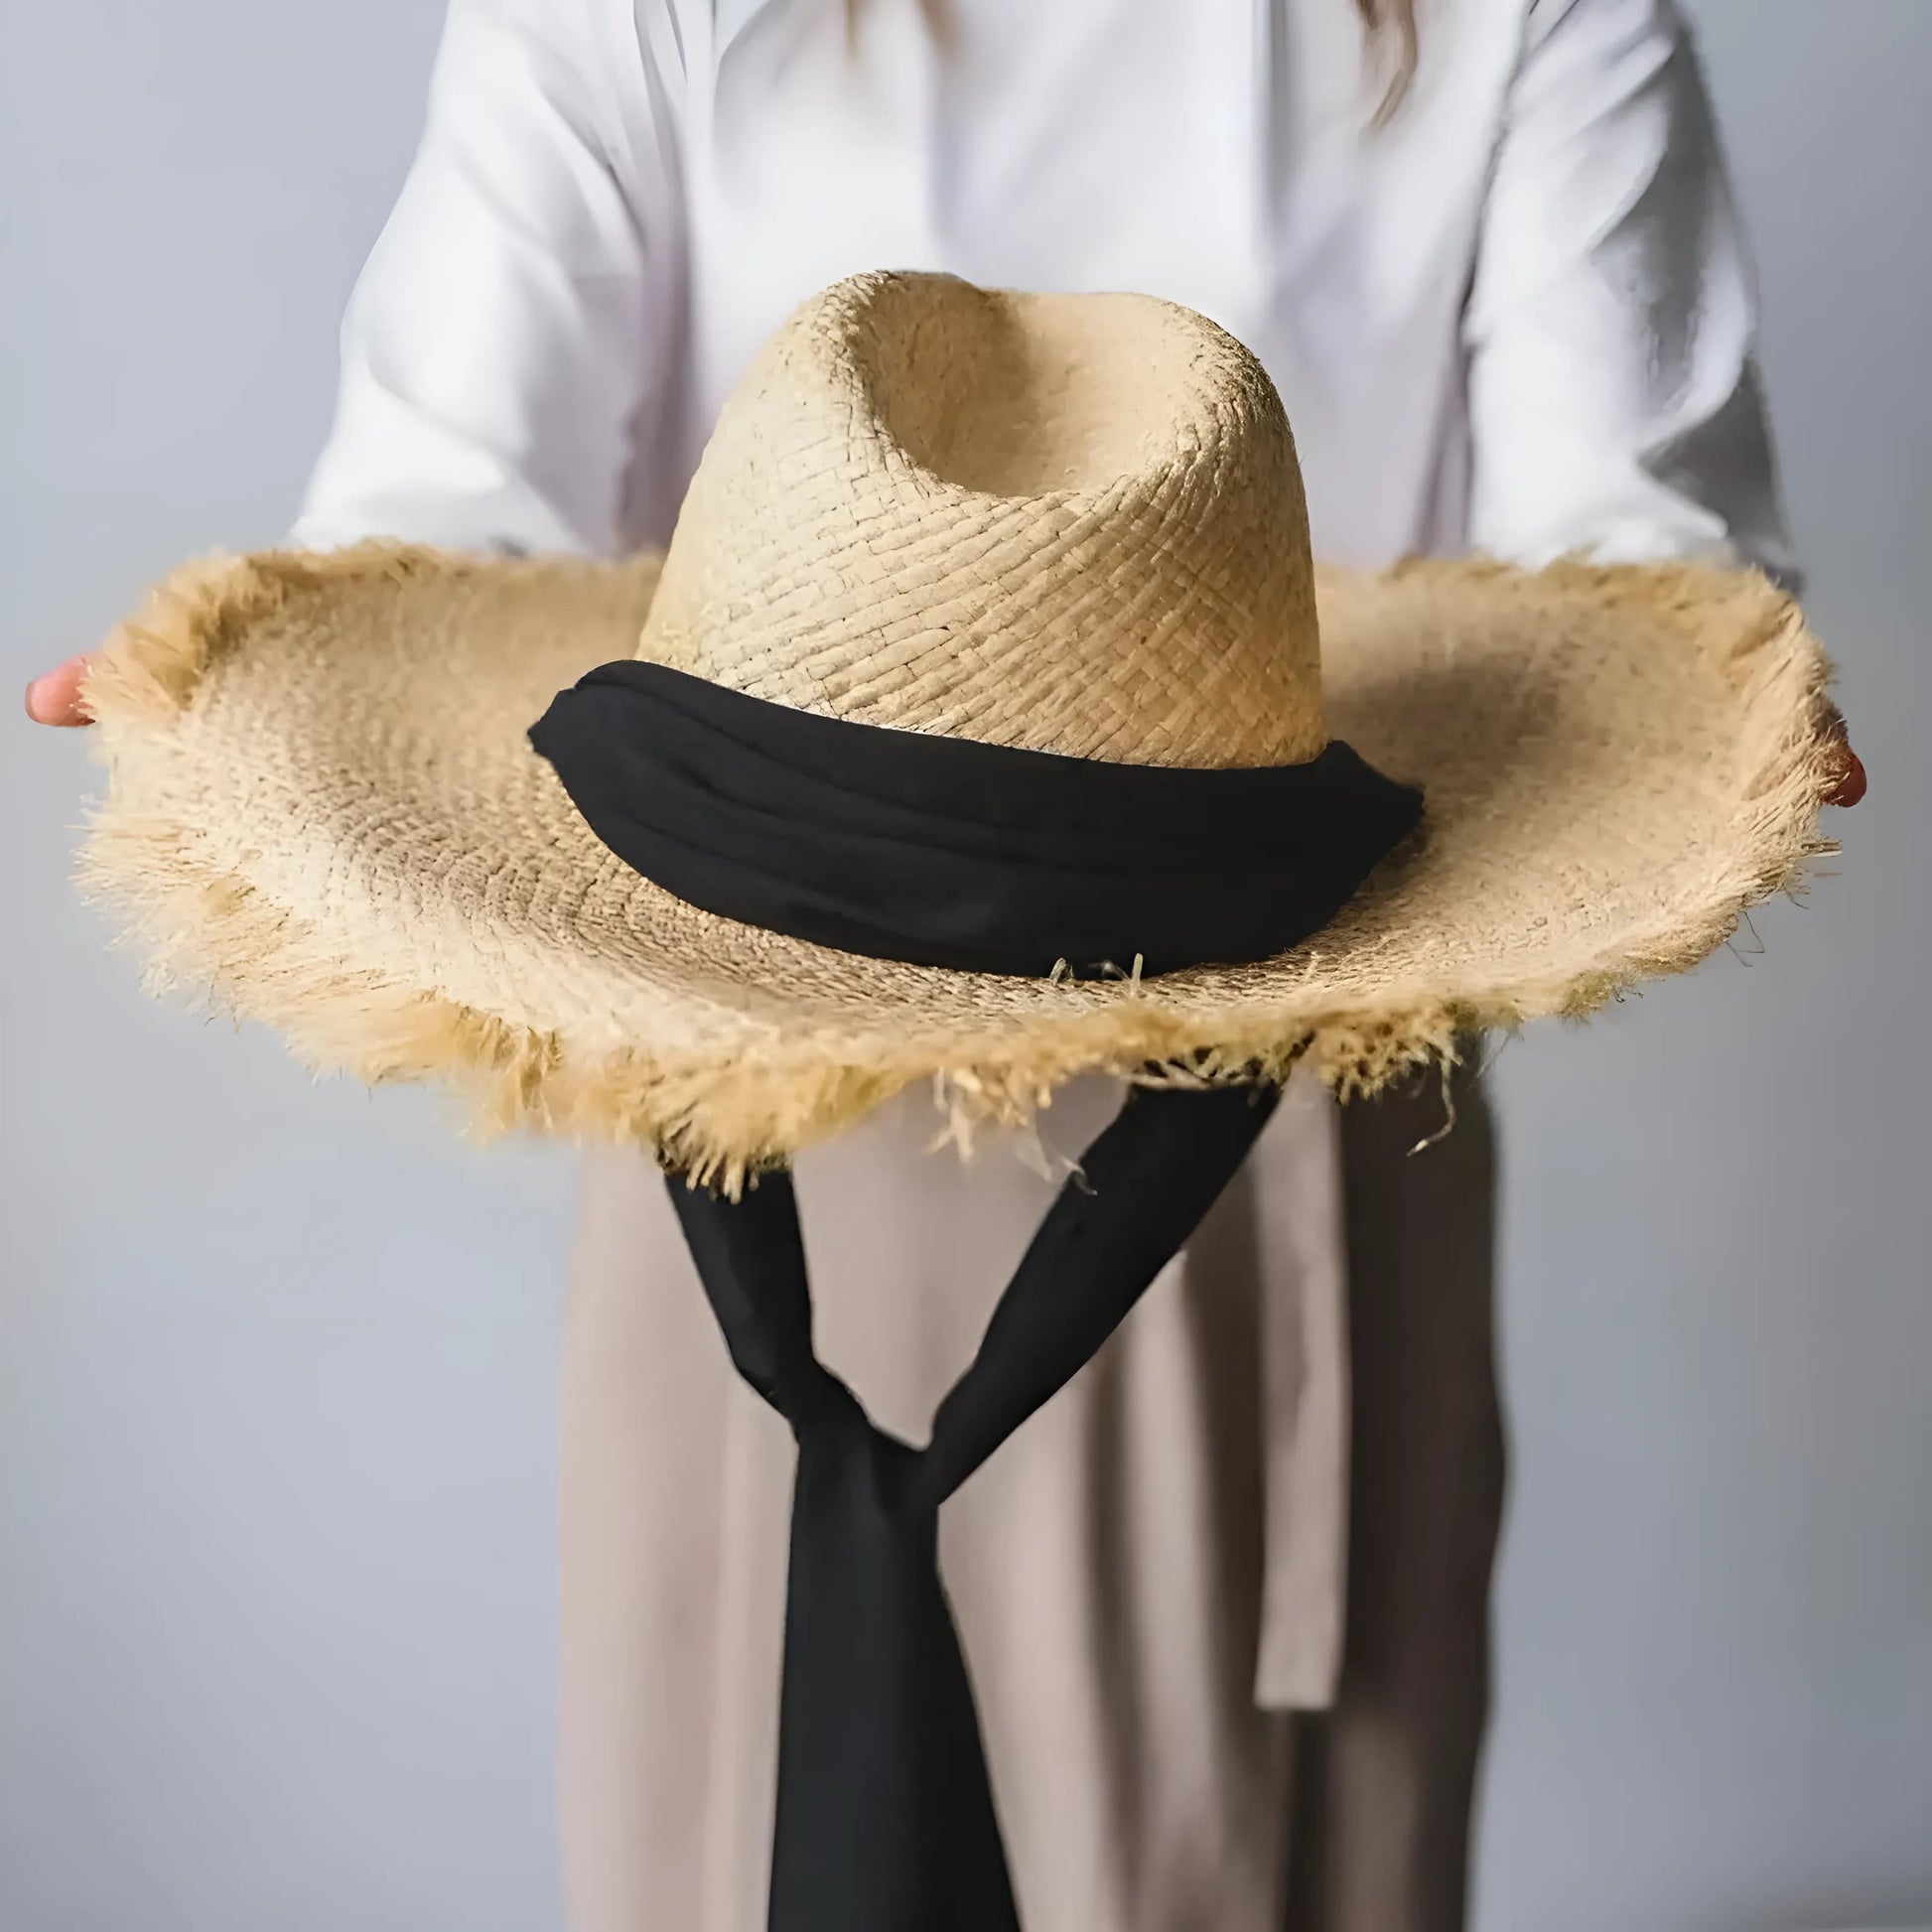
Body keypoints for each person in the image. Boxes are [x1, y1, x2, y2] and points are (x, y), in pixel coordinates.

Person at [27, 2, 1866, 1927]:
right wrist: (277, 678)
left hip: (1262, 1128)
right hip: (743, 1119)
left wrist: (1697, 684)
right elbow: (460, 495)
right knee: (713, 1836)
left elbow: (1619, 545)